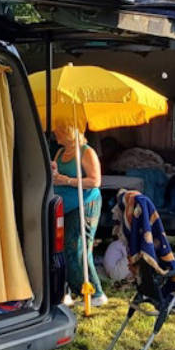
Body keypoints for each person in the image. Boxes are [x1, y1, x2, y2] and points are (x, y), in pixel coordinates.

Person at [53, 125, 106, 307]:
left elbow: (95, 181)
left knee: (78, 247)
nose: (55, 131)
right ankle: (68, 289)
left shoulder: (86, 152)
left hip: (84, 205)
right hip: (64, 207)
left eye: (59, 129)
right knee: (62, 247)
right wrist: (54, 173)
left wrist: (66, 180)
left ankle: (95, 293)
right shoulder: (60, 152)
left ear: (68, 131)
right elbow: (56, 176)